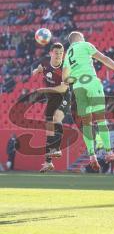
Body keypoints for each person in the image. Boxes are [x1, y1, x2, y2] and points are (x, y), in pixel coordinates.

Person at [62, 31, 114, 171]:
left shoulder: (67, 55)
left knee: (86, 123)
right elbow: (104, 59)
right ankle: (109, 152)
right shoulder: (85, 45)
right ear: (80, 38)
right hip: (91, 82)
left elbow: (65, 78)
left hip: (78, 88)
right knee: (101, 120)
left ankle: (92, 155)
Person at [32, 43, 71, 173]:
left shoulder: (65, 67)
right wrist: (36, 71)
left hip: (64, 97)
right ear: (51, 53)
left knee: (56, 117)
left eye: (61, 53)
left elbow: (63, 88)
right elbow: (35, 72)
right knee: (49, 132)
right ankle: (48, 163)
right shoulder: (44, 63)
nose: (59, 55)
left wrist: (44, 89)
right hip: (52, 99)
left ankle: (57, 148)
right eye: (56, 53)